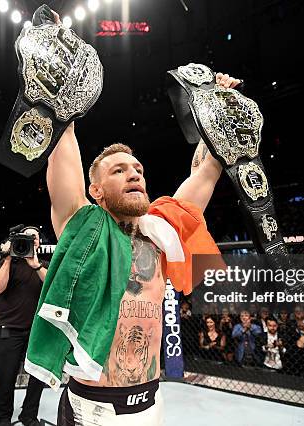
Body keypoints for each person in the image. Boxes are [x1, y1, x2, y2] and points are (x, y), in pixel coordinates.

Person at [26, 16, 241, 421]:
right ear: (97, 190)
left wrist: (219, 107)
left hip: (150, 400)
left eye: (138, 168)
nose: (134, 173)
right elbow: (62, 140)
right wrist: (58, 66)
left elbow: (207, 171)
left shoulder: (162, 231)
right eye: (119, 170)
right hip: (92, 404)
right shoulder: (83, 224)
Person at [0, 227, 48, 426]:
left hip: (37, 330)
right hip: (9, 328)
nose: (32, 241)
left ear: (39, 242)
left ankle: (29, 415)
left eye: (35, 237)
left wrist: (35, 264)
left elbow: (52, 285)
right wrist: (7, 257)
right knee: (6, 376)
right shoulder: (8, 263)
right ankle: (4, 417)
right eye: (27, 237)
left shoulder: (43, 265)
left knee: (38, 375)